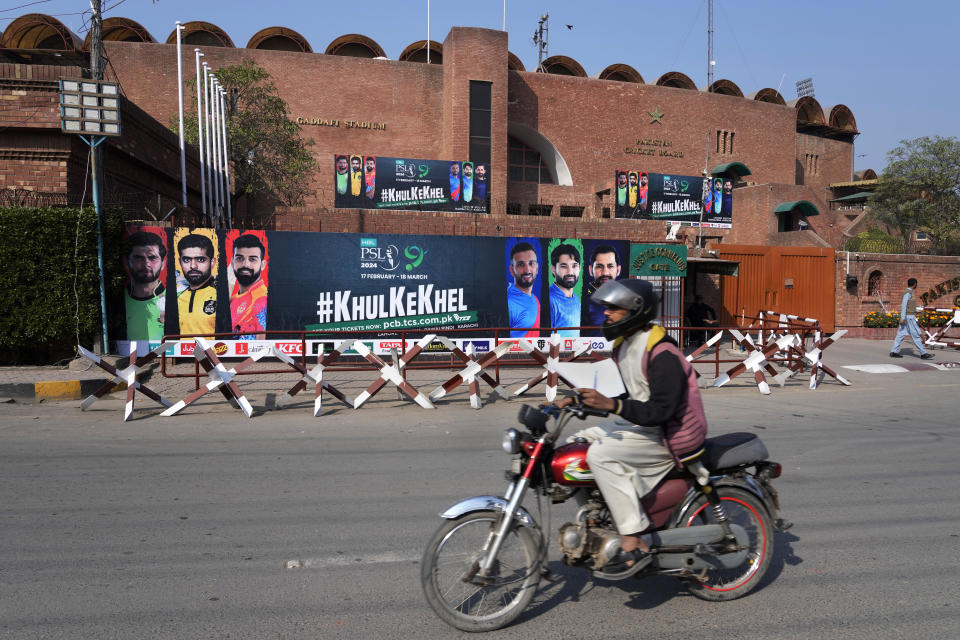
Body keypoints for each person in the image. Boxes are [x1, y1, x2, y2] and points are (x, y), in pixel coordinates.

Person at [553, 279, 708, 579]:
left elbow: (661, 410)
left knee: (600, 455)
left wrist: (612, 406)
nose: (607, 314)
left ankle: (633, 536)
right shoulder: (626, 345)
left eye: (614, 309)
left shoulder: (662, 352)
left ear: (635, 310)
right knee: (574, 446)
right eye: (606, 308)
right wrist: (578, 399)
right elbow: (633, 396)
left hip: (670, 435)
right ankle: (598, 516)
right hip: (643, 425)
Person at [124, 230, 166, 341]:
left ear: (163, 263)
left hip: (166, 357)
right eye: (138, 258)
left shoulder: (176, 299)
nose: (146, 263)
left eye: (152, 258)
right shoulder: (116, 299)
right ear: (126, 262)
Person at [176, 233, 217, 336]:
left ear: (212, 262)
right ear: (180, 262)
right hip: (179, 352)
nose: (193, 266)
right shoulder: (176, 297)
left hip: (212, 352)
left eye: (200, 259)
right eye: (187, 260)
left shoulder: (223, 295)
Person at [230, 233, 268, 339]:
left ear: (263, 264)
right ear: (232, 262)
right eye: (239, 258)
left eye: (252, 259)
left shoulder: (262, 300)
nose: (245, 264)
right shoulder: (231, 299)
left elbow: (264, 348)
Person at [890, 277, 934, 359]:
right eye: (916, 284)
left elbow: (909, 306)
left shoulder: (910, 292)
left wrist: (916, 311)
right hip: (909, 318)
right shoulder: (908, 293)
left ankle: (894, 351)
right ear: (914, 284)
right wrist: (902, 318)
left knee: (900, 335)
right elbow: (904, 306)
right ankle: (923, 354)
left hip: (908, 316)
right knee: (916, 335)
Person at [583, 245, 622, 334]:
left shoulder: (625, 296)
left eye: (610, 266)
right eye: (599, 266)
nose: (605, 272)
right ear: (590, 270)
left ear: (618, 270)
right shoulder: (580, 297)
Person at [507, 241, 540, 338]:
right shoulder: (507, 303)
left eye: (531, 263)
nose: (527, 270)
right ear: (512, 270)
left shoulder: (535, 299)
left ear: (537, 268)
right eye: (521, 264)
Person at [549, 243, 581, 337]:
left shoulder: (575, 298)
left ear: (579, 268)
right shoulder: (549, 300)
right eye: (564, 266)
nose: (570, 272)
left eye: (574, 266)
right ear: (553, 269)